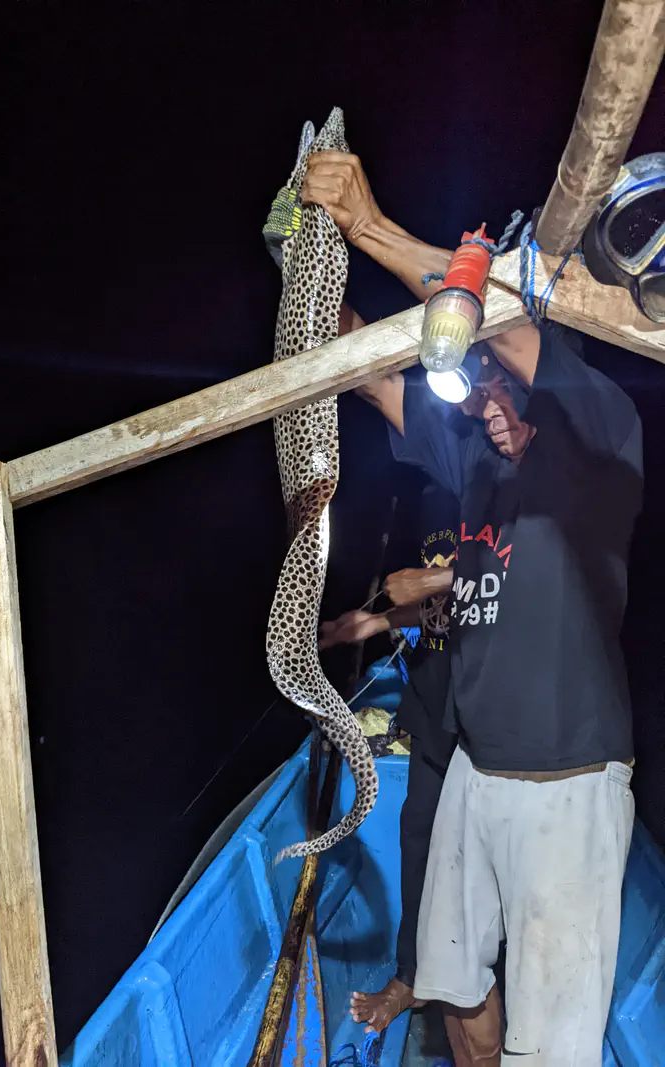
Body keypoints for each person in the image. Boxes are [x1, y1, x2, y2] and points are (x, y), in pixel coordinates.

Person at [301, 151, 643, 1066]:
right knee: (457, 993)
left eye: (503, 378)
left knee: (553, 1046)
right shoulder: (476, 466)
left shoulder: (599, 431)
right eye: (479, 388)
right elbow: (370, 376)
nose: (490, 400)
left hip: (566, 788)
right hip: (475, 778)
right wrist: (308, 266)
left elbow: (500, 328)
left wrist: (370, 225)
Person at [320, 475, 459, 1032]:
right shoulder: (431, 496)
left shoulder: (503, 485)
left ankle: (484, 977)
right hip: (431, 705)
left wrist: (435, 581)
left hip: (488, 711)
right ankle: (411, 978)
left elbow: (494, 592)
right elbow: (439, 611)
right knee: (416, 834)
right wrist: (376, 620)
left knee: (483, 850)